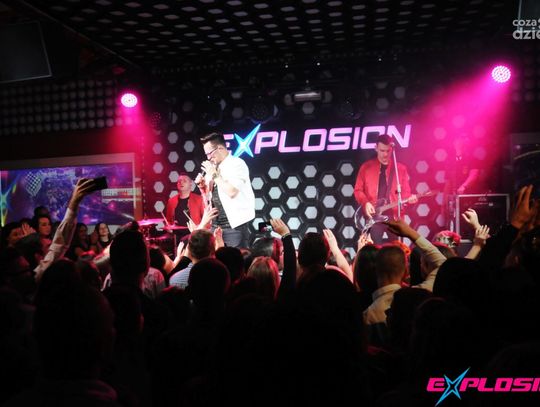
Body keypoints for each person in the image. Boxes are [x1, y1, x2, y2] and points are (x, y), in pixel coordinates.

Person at [195, 132, 255, 248]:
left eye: (210, 153)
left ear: (220, 148)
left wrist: (214, 174)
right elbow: (209, 200)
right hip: (215, 226)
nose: (208, 158)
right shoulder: (213, 169)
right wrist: (202, 188)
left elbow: (232, 192)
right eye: (206, 154)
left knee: (233, 258)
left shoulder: (237, 164)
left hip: (234, 226)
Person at [354, 134, 417, 244]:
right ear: (376, 148)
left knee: (396, 249)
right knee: (373, 248)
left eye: (388, 151)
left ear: (392, 149)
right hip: (374, 216)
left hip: (394, 217)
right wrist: (365, 203)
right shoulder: (366, 167)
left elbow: (406, 193)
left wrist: (409, 200)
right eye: (382, 150)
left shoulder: (400, 169)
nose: (385, 154)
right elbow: (358, 190)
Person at [165, 172, 205, 240]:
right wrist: (169, 227)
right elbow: (168, 221)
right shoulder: (171, 201)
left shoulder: (199, 199)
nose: (181, 182)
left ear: (190, 183)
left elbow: (206, 220)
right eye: (179, 181)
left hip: (196, 237)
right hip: (178, 238)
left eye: (184, 181)